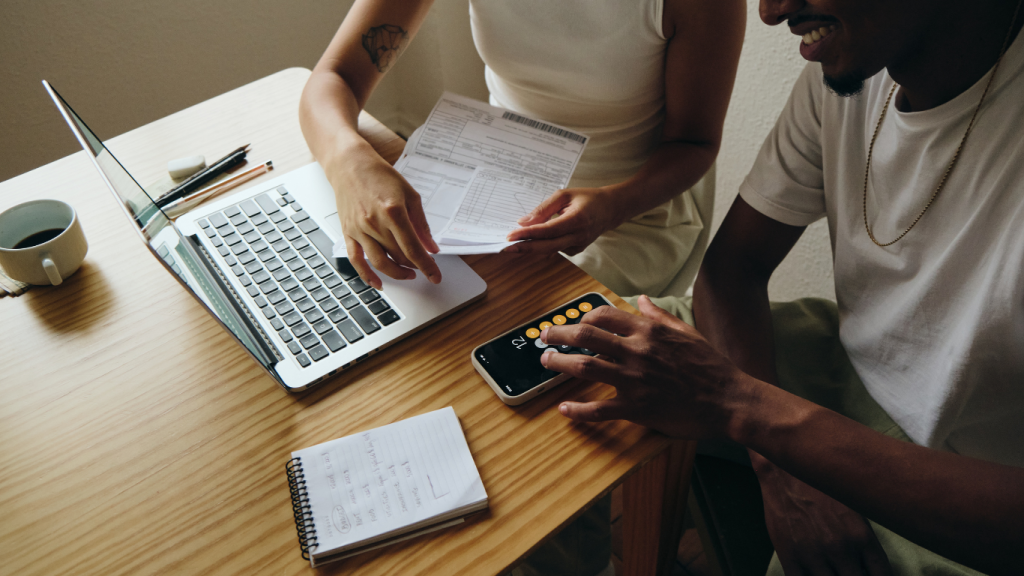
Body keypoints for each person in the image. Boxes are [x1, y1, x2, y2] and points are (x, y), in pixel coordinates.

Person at [539, 0, 1024, 574]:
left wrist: (745, 408)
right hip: (847, 364)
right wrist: (782, 465)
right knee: (570, 357)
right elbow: (732, 270)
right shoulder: (852, 74)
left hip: (975, 471)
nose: (769, 13)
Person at [298, 0, 744, 300]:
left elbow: (694, 143)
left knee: (495, 329)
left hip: (626, 215)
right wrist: (348, 162)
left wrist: (612, 205)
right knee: (384, 300)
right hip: (486, 186)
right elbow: (332, 78)